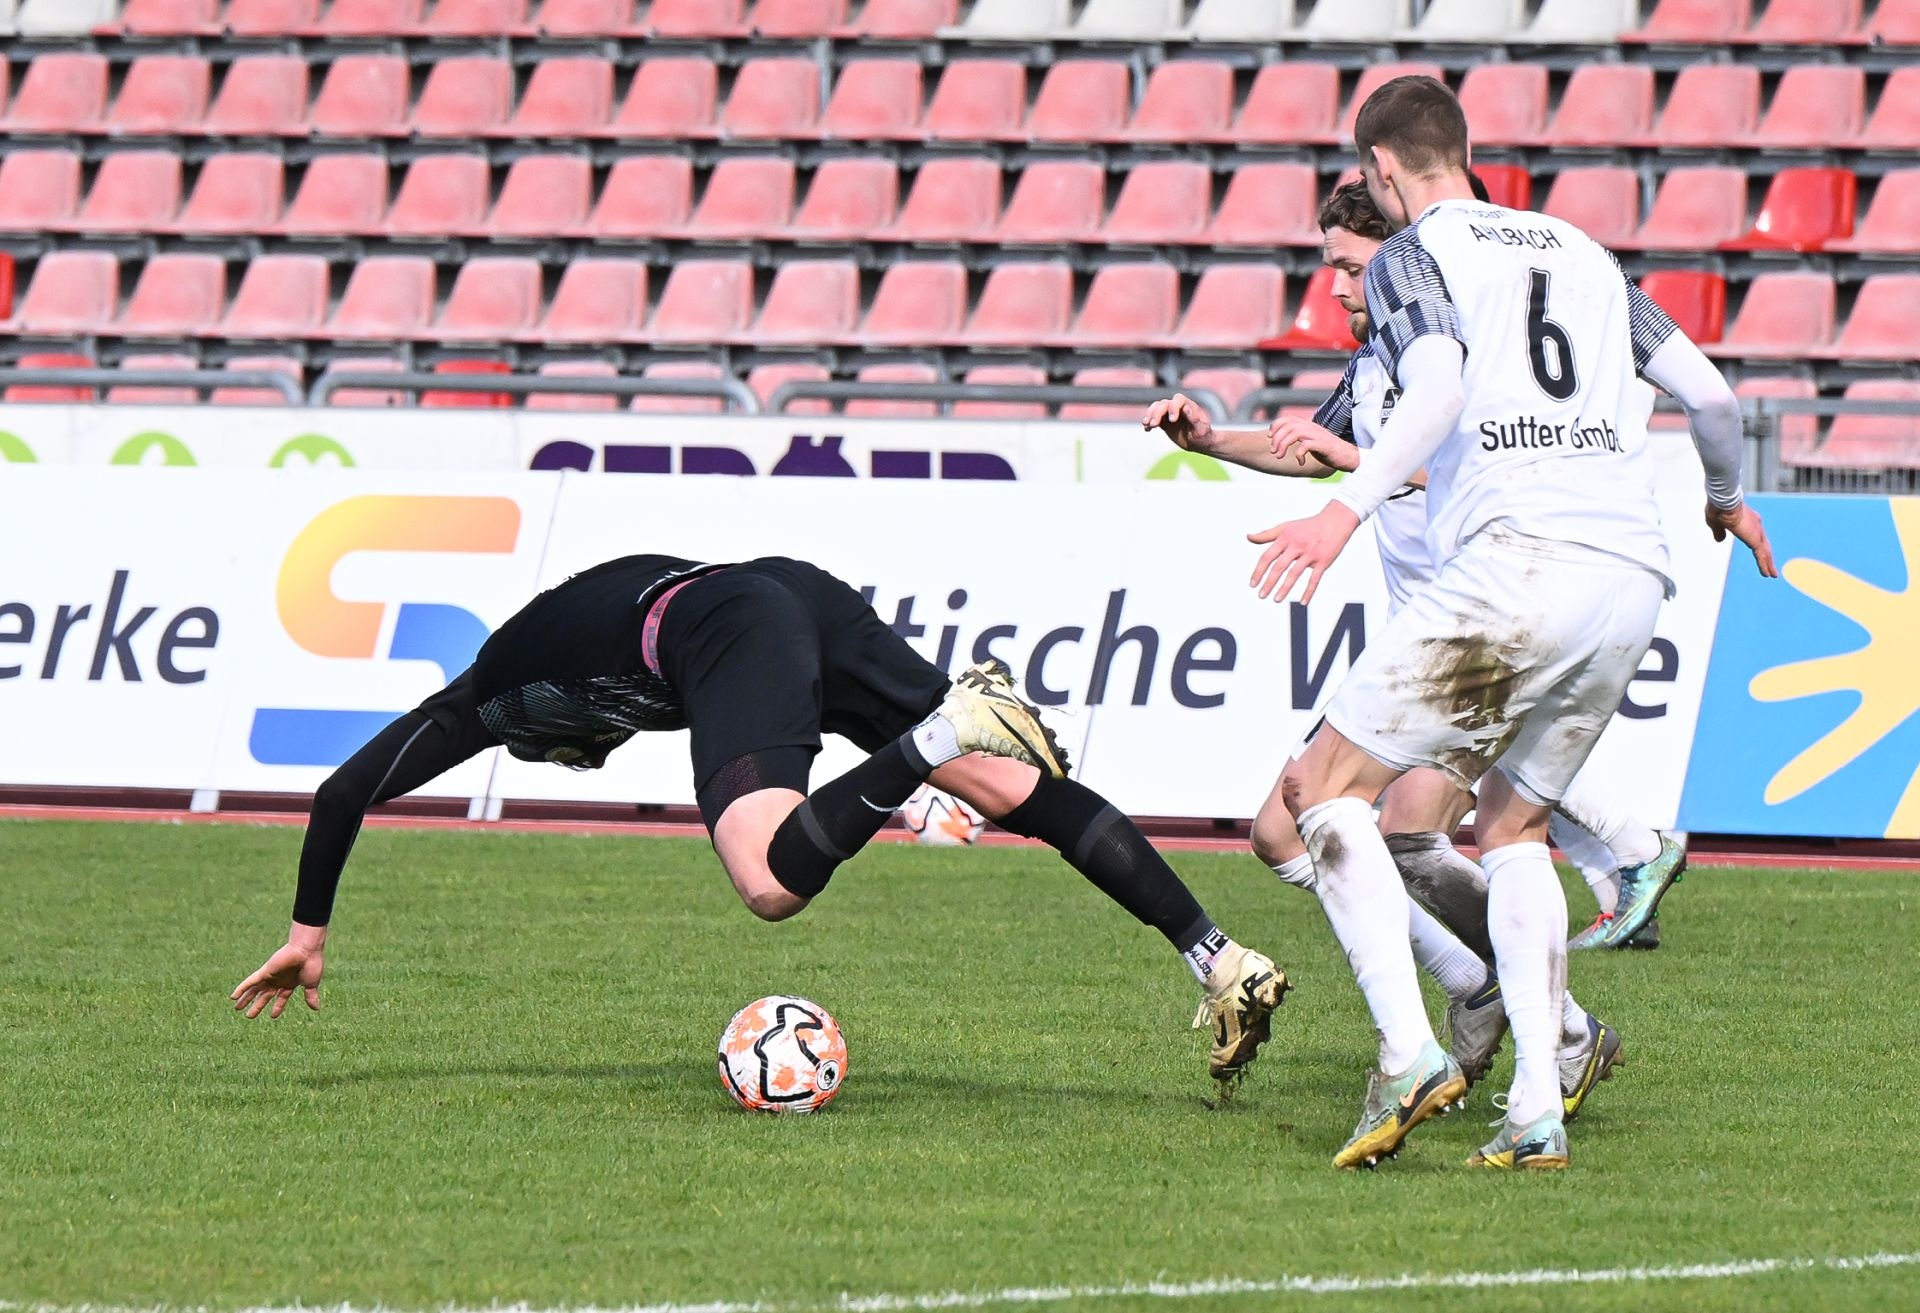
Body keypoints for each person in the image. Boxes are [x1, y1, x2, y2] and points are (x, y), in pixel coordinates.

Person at [1240, 77, 1776, 1171]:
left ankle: (1407, 1050)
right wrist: (1724, 496)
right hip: (1632, 570)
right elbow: (1713, 397)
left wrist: (1341, 508)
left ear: (1382, 168)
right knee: (1514, 828)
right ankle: (1537, 1098)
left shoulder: (1411, 253)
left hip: (1517, 560)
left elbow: (1433, 383)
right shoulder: (1581, 250)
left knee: (1318, 794)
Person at [231, 554, 1290, 1086]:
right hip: (784, 593)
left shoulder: (486, 698)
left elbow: (339, 790)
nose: (585, 754)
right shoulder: (553, 660)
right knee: (1008, 785)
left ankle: (935, 738)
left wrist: (307, 931)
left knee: (769, 879)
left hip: (731, 623)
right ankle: (1219, 954)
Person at [1143, 180, 1625, 1128]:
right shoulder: (1376, 360)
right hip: (1428, 636)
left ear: (1405, 253)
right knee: (1300, 832)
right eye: (1330, 265)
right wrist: (1211, 441)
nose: (1335, 286)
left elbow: (1443, 449)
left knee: (1375, 822)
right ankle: (1519, 1003)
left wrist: (1348, 465)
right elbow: (1323, 450)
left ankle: (1534, 1019)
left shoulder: (1463, 353)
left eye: (1351, 266)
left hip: (1491, 627)